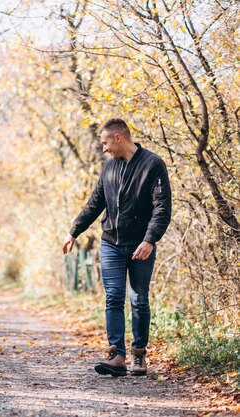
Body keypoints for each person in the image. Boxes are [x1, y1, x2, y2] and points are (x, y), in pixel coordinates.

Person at [62, 118, 172, 377]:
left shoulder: (153, 164)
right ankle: (117, 355)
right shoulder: (109, 167)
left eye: (104, 143)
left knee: (139, 299)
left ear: (119, 138)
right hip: (111, 242)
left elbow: (162, 208)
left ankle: (138, 355)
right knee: (113, 297)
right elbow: (95, 202)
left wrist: (150, 239)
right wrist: (74, 231)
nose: (103, 148)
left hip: (140, 244)